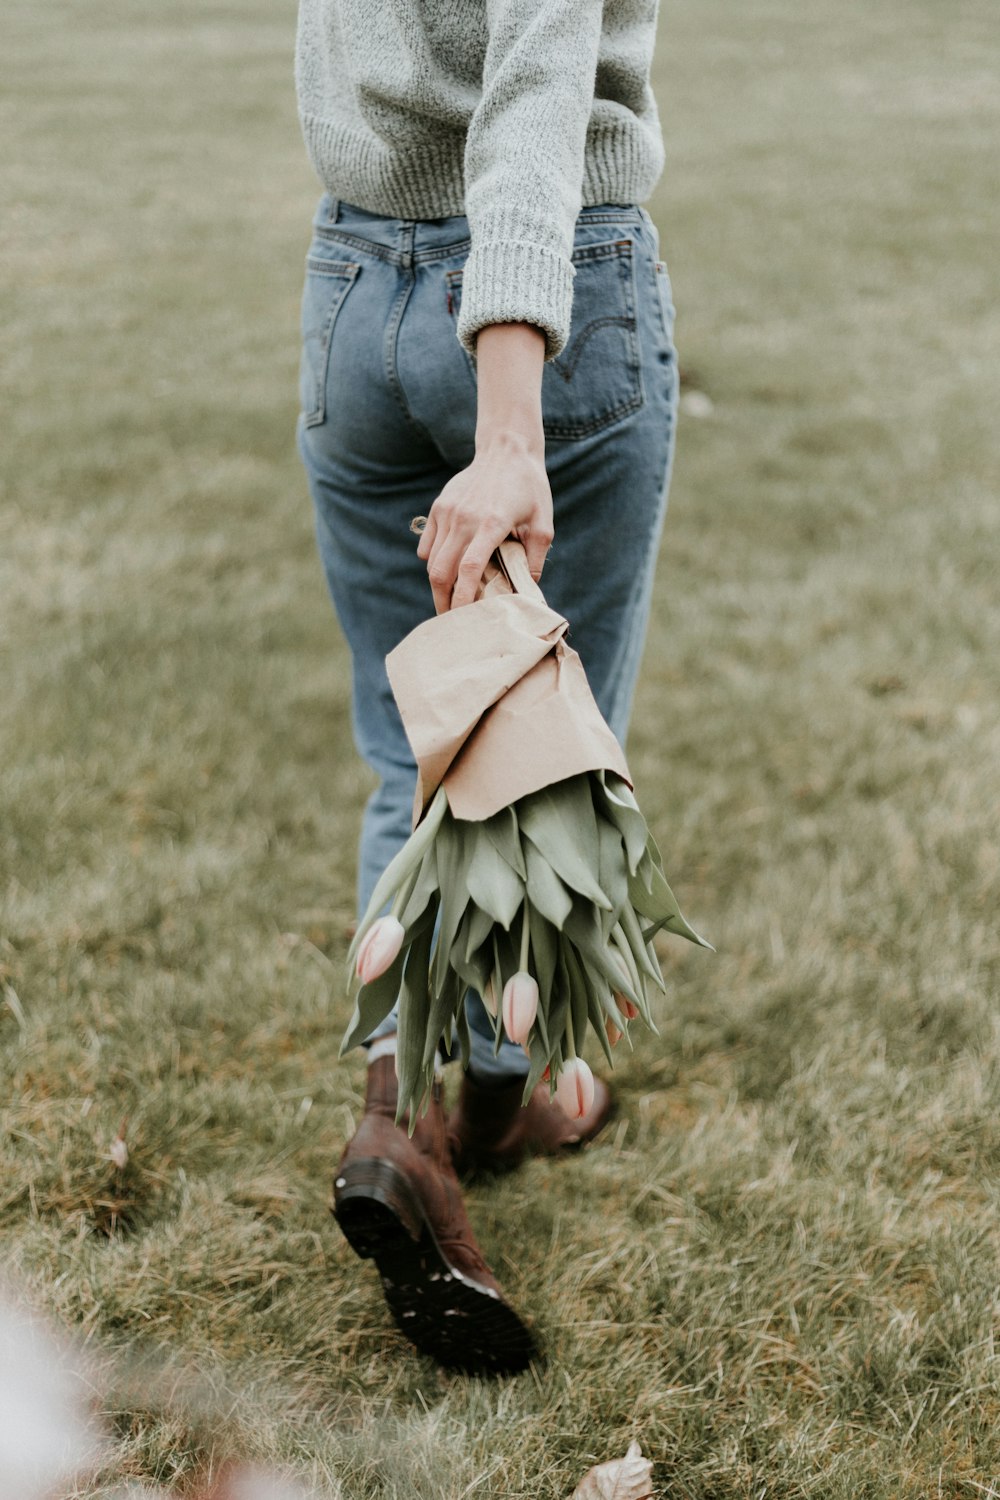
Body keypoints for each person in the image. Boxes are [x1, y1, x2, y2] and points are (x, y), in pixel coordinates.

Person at [294, 0, 677, 1375]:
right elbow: (532, 87)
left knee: (415, 752)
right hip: (543, 302)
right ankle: (507, 1099)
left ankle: (400, 1115)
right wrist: (509, 420)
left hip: (351, 287)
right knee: (544, 749)